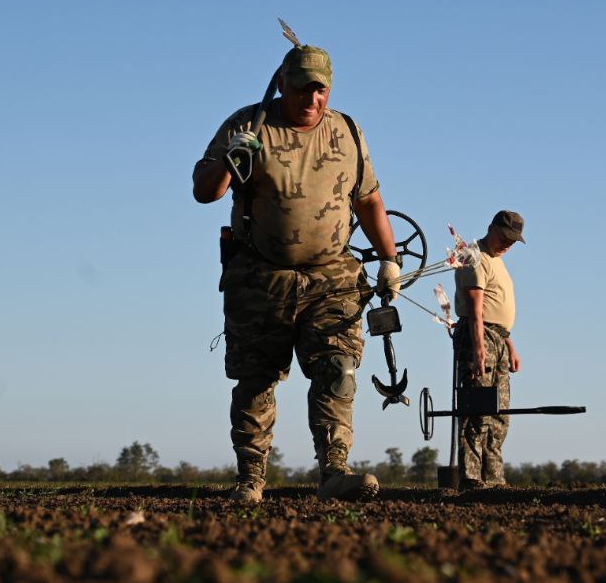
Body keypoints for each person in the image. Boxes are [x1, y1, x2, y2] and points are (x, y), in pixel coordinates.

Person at [192, 43, 401, 503]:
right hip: (260, 277)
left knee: (337, 369)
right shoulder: (249, 124)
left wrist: (389, 260)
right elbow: (204, 193)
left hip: (332, 276)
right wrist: (231, 159)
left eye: (320, 89)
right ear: (282, 83)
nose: (311, 99)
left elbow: (368, 201)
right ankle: (250, 479)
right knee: (256, 380)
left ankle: (334, 472)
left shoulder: (347, 131)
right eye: (302, 88)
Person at [453, 210, 525, 489]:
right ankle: (472, 478)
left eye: (513, 241)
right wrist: (480, 348)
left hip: (498, 339)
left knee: (498, 414)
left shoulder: (498, 260)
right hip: (478, 337)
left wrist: (509, 343)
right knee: (477, 408)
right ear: (490, 228)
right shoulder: (475, 257)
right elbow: (475, 309)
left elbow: (496, 309)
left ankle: (494, 478)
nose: (508, 244)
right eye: (505, 237)